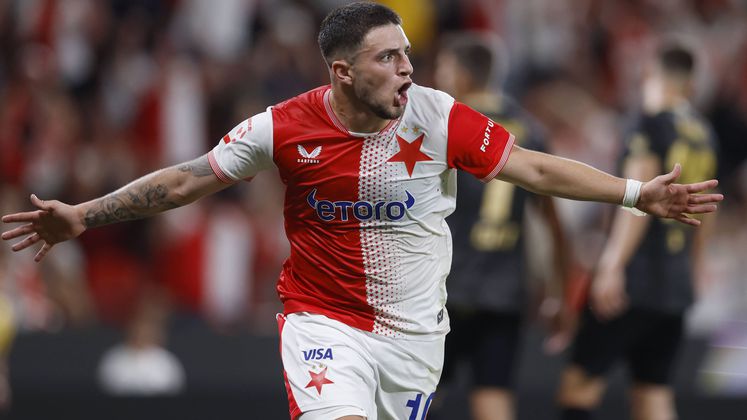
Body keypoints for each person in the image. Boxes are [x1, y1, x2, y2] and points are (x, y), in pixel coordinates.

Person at [1, 3, 722, 420]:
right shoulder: (282, 127)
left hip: (415, 339)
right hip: (323, 323)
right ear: (342, 72)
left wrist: (636, 194)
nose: (407, 68)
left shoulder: (437, 116)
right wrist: (85, 215)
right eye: (387, 58)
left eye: (407, 54)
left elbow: (533, 167)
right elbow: (188, 180)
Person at [556, 44, 719, 420]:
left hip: (636, 277)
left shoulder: (646, 122)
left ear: (647, 73)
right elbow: (708, 208)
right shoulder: (704, 133)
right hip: (675, 284)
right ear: (691, 85)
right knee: (653, 392)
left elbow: (640, 200)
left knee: (578, 386)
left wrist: (612, 265)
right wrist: (694, 269)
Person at [430, 33, 572, 420]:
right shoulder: (530, 129)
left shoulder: (446, 126)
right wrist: (559, 292)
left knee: (419, 396)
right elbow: (554, 222)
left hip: (445, 285)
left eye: (443, 68)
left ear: (460, 74)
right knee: (493, 396)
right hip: (506, 290)